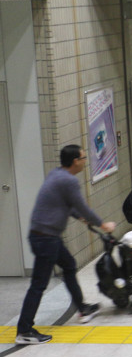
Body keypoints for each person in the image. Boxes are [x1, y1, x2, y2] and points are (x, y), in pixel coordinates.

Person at [15, 144, 117, 344]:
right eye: (83, 158)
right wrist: (103, 224)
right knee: (38, 285)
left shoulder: (57, 175)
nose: (85, 161)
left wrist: (80, 217)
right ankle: (24, 331)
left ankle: (82, 308)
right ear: (74, 161)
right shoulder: (68, 181)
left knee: (69, 265)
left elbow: (66, 205)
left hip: (45, 236)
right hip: (46, 239)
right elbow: (81, 206)